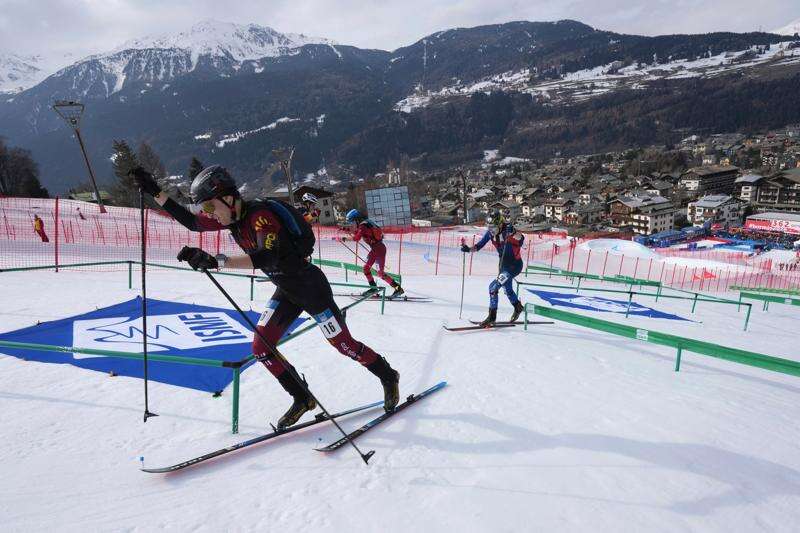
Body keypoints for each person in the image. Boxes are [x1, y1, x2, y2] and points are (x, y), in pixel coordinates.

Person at [130, 165, 400, 428]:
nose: (208, 213)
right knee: (261, 348)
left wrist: (217, 261)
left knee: (344, 345)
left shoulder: (260, 217)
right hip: (286, 291)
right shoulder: (231, 218)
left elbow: (267, 256)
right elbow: (191, 222)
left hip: (311, 289)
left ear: (228, 199)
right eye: (205, 208)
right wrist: (156, 192)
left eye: (210, 207)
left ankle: (388, 375)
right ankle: (302, 397)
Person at [461, 211, 525, 326]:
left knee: (493, 288)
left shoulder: (508, 231)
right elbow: (479, 246)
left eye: (493, 227)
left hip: (514, 265)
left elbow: (521, 239)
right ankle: (518, 307)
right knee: (507, 289)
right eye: (489, 227)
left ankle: (492, 317)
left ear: (500, 224)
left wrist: (514, 232)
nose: (491, 230)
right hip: (503, 266)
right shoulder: (490, 233)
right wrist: (468, 249)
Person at [343, 209, 404, 298]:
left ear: (357, 220)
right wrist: (346, 230)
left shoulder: (363, 226)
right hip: (375, 250)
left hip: (379, 250)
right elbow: (358, 233)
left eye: (352, 222)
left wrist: (344, 239)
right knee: (366, 268)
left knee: (380, 273)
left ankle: (398, 288)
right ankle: (373, 288)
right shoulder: (365, 224)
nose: (352, 224)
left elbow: (356, 238)